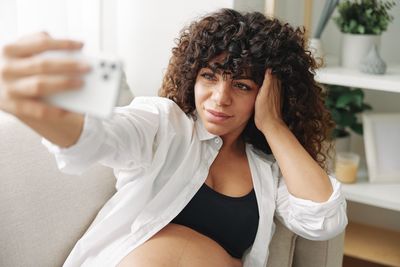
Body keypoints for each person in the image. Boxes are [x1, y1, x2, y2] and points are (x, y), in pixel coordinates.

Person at [0, 8, 347, 267]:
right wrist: (36, 110)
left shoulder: (268, 171)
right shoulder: (164, 125)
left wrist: (273, 125)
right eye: (209, 76)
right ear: (192, 75)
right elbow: (100, 138)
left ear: (269, 95)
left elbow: (323, 219)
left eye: (241, 85)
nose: (220, 97)